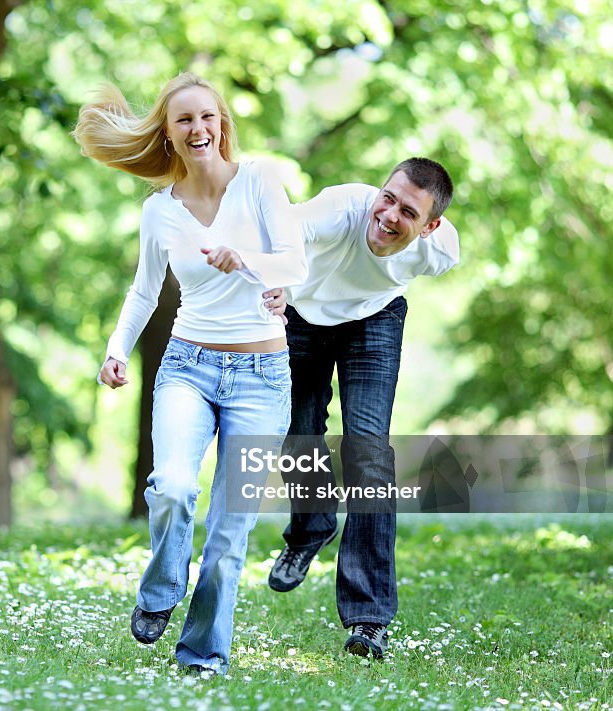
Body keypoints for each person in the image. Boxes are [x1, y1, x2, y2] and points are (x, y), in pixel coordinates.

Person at [71, 72, 308, 674]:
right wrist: (116, 349)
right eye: (184, 120)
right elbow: (144, 289)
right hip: (188, 367)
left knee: (229, 536)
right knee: (173, 484)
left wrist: (249, 262)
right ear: (169, 135)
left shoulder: (258, 182)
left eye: (207, 117)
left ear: (222, 124)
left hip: (261, 375)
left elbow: (296, 262)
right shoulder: (159, 213)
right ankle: (161, 587)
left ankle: (203, 655)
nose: (198, 128)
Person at [262, 158, 458, 659]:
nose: (389, 215)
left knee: (369, 453)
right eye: (387, 197)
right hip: (303, 312)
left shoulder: (440, 250)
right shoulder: (340, 208)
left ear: (430, 226)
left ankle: (369, 618)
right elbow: (284, 232)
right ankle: (310, 529)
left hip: (374, 320)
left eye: (408, 212)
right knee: (299, 430)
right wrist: (277, 281)